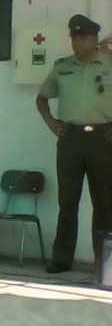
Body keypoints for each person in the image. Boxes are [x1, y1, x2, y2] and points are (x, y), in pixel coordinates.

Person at [35, 14, 112, 273]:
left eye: (83, 37)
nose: (78, 42)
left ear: (94, 39)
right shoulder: (61, 67)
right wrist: (52, 123)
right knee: (67, 202)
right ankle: (61, 258)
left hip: (103, 139)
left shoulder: (110, 65)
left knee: (105, 203)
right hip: (71, 140)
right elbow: (41, 99)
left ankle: (105, 263)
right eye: (74, 38)